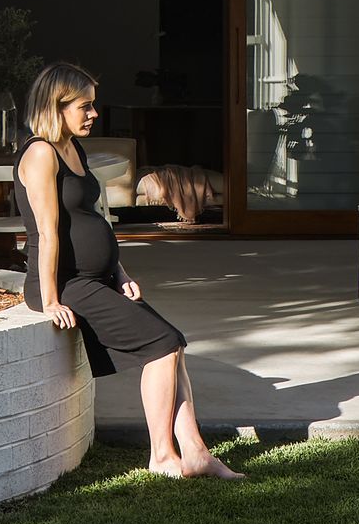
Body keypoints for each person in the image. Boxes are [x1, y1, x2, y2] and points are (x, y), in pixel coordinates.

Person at [15, 59, 242, 483]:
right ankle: (161, 455)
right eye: (84, 106)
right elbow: (47, 232)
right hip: (68, 284)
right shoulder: (41, 153)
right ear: (56, 105)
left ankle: (195, 453)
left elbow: (89, 219)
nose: (93, 114)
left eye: (92, 106)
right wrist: (49, 298)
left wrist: (119, 273)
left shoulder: (71, 147)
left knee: (172, 344)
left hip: (96, 278)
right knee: (162, 344)